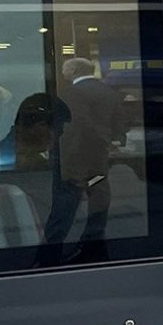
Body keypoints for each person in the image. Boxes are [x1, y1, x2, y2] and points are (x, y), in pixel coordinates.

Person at [45, 58, 124, 256]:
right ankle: (93, 239)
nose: (62, 72)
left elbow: (73, 127)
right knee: (98, 194)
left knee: (66, 200)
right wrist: (110, 142)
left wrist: (57, 152)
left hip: (73, 158)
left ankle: (52, 246)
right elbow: (119, 123)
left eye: (64, 68)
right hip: (98, 158)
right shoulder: (108, 92)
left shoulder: (72, 93)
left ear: (73, 70)